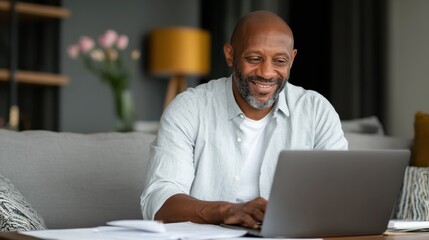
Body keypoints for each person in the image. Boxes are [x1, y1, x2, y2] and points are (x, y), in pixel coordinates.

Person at [140, 10, 348, 229]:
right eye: (254, 59)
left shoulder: (316, 111)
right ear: (230, 55)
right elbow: (158, 202)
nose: (267, 73)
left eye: (279, 61)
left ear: (292, 59)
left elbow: (342, 195)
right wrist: (227, 211)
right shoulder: (188, 109)